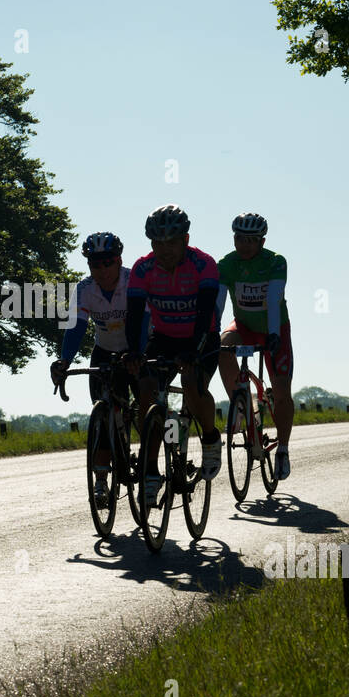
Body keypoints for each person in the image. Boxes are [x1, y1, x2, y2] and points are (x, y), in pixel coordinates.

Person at [123, 204, 223, 502]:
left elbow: (206, 311)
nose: (164, 249)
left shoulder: (204, 264)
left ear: (186, 239)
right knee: (146, 391)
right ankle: (151, 471)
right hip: (164, 337)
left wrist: (193, 350)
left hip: (201, 337)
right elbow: (134, 315)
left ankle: (209, 437)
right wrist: (132, 351)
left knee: (192, 384)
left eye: (172, 242)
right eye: (158, 243)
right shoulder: (143, 268)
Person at [50, 232, 143, 500]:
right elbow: (76, 327)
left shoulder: (132, 281)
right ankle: (101, 481)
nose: (102, 270)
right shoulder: (84, 289)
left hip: (136, 349)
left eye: (108, 262)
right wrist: (64, 361)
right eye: (94, 264)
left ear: (119, 260)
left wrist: (137, 353)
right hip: (104, 352)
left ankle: (149, 463)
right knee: (102, 417)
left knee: (145, 407)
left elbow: (145, 320)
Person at [216, 213, 295, 480]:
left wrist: (273, 334)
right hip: (244, 327)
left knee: (282, 390)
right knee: (221, 346)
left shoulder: (275, 262)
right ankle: (241, 405)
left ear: (262, 241)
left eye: (251, 240)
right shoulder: (226, 264)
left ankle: (282, 449)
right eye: (239, 238)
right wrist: (209, 331)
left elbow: (274, 300)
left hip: (275, 329)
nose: (245, 245)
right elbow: (218, 305)